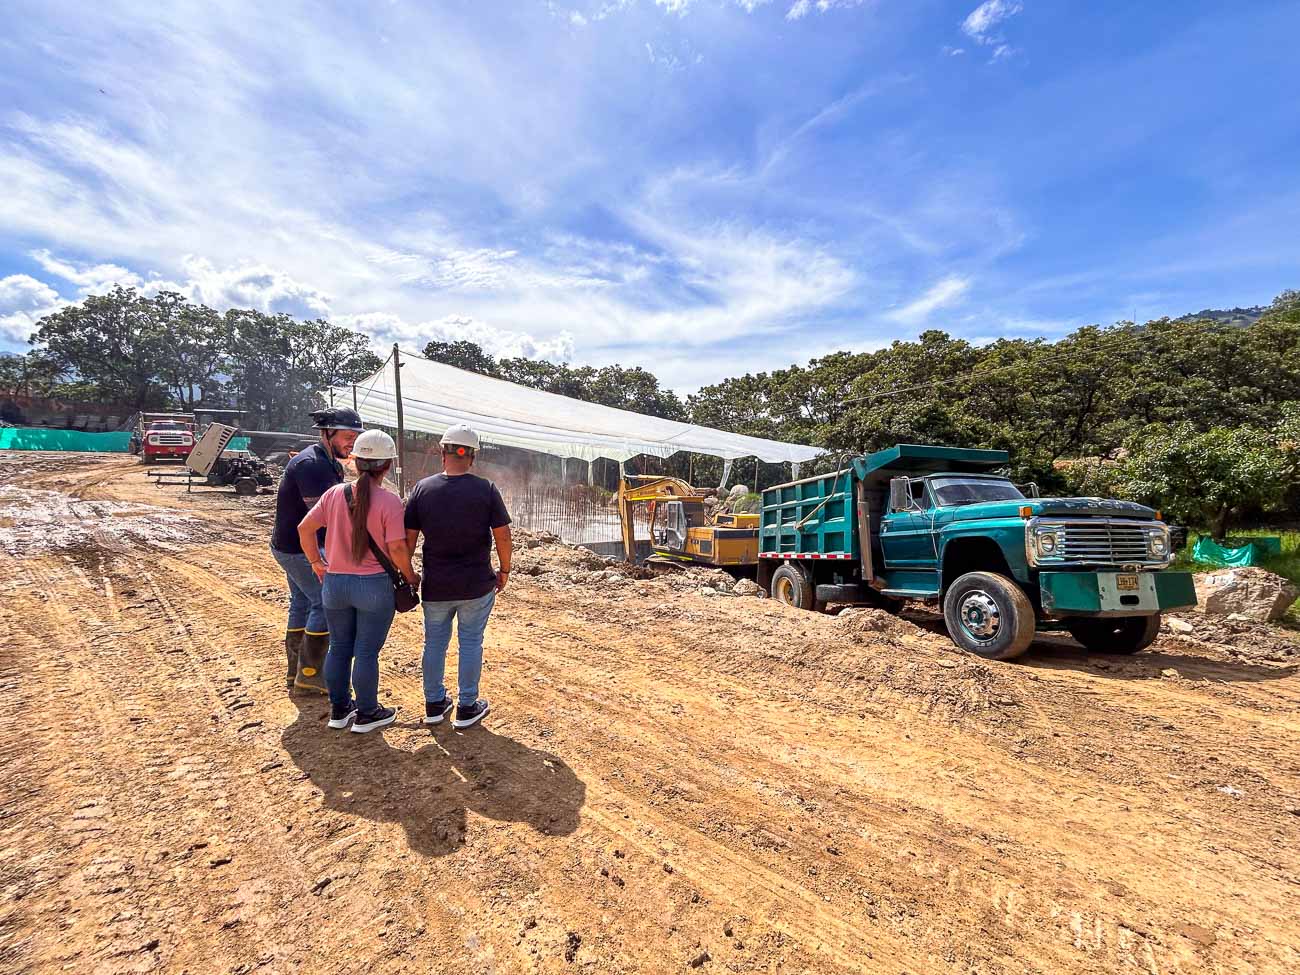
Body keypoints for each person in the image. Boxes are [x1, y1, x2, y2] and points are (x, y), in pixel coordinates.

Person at [297, 429, 418, 733]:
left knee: (339, 645)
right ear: (387, 465)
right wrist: (410, 575)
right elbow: (397, 548)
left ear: (356, 461)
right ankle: (367, 713)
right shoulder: (389, 502)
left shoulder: (334, 494)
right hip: (374, 588)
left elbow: (304, 528)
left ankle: (339, 710)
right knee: (365, 651)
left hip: (335, 585)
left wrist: (316, 563)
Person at [404, 424, 511, 730]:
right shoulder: (486, 489)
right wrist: (504, 570)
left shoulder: (422, 489)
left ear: (442, 453)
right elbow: (503, 536)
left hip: (437, 586)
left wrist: (409, 574)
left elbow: (408, 539)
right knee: (470, 642)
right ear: (472, 456)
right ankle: (467, 706)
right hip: (476, 585)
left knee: (434, 644)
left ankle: (435, 704)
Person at [271, 406, 365, 695]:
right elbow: (326, 516)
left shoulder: (325, 462)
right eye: (348, 436)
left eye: (356, 437)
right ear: (327, 433)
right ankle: (311, 676)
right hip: (300, 549)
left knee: (301, 602)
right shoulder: (312, 465)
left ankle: (297, 672)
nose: (353, 442)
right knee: (324, 604)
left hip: (290, 545)